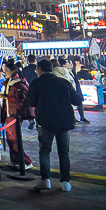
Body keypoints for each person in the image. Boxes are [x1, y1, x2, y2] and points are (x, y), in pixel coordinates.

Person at [27, 59, 83, 192]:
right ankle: (65, 182)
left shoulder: (36, 83)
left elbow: (31, 102)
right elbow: (77, 100)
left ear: (39, 70)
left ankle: (45, 180)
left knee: (45, 151)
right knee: (64, 152)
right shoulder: (64, 82)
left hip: (45, 121)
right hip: (64, 121)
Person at [0, 60, 33, 168]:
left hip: (16, 114)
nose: (5, 72)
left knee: (14, 138)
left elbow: (22, 98)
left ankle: (26, 161)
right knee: (10, 138)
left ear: (13, 71)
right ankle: (15, 160)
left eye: (6, 70)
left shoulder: (18, 83)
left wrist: (6, 97)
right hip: (9, 113)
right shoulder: (9, 82)